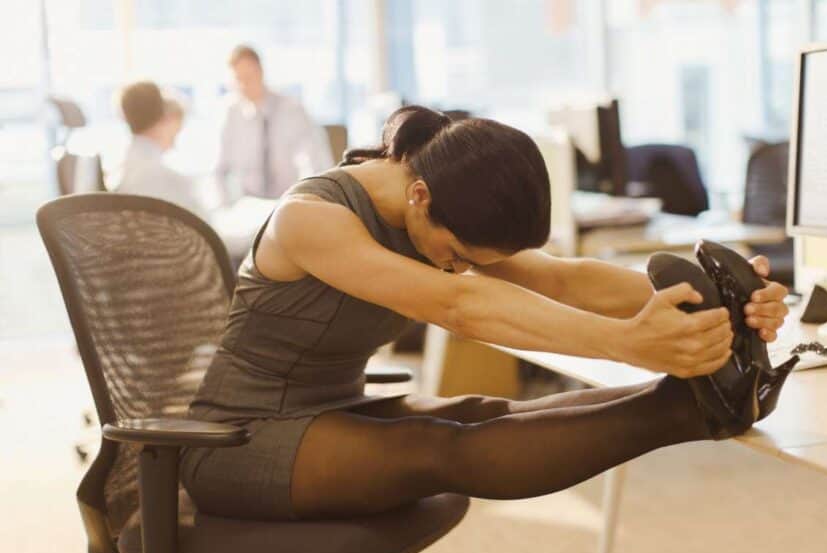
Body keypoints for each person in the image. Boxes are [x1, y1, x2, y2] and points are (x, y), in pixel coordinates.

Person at [182, 106, 790, 521]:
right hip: (238, 438)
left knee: (485, 413)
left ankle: (693, 402)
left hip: (334, 406)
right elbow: (458, 304)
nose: (456, 267)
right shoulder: (311, 218)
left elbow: (561, 278)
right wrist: (628, 343)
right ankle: (691, 411)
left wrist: (720, 302)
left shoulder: (438, 207)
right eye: (456, 256)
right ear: (418, 196)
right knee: (439, 449)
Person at [214, 44, 334, 204]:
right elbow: (218, 170)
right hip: (248, 204)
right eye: (238, 79)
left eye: (248, 77)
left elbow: (316, 162)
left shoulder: (293, 110)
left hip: (290, 201)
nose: (244, 85)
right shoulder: (229, 114)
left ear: (261, 72)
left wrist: (306, 200)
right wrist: (225, 206)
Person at [113, 81, 207, 219]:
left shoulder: (119, 173)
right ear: (164, 120)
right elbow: (211, 235)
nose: (176, 137)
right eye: (178, 128)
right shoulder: (169, 179)